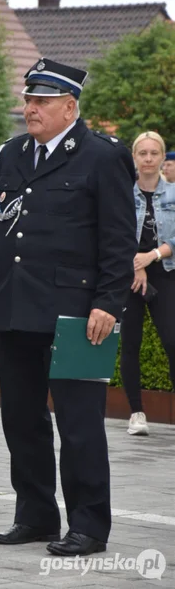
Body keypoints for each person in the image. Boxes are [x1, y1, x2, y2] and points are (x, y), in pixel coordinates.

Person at [0, 58, 137, 557]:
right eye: (28, 99)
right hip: (17, 308)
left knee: (79, 423)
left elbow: (117, 239)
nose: (31, 109)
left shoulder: (102, 155)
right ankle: (36, 514)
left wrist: (109, 303)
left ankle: (88, 525)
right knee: (20, 418)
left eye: (42, 101)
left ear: (70, 106)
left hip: (77, 315)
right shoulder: (11, 156)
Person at [120, 132, 175, 436]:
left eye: (155, 153)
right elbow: (115, 233)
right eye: (143, 153)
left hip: (164, 272)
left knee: (172, 341)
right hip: (130, 277)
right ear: (135, 158)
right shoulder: (124, 194)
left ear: (163, 157)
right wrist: (135, 264)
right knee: (131, 344)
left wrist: (151, 255)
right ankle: (136, 413)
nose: (149, 158)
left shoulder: (174, 194)